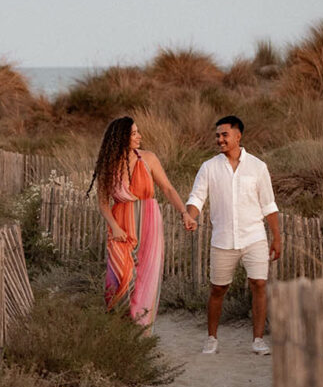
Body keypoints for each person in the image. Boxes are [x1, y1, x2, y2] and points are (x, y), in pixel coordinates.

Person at [88, 116, 197, 333]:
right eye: (134, 133)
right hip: (120, 225)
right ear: (121, 137)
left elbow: (167, 188)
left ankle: (139, 329)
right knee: (119, 275)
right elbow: (102, 202)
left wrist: (184, 213)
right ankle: (116, 327)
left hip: (149, 221)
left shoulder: (148, 158)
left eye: (138, 132)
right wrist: (115, 226)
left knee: (146, 273)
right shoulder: (108, 164)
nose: (140, 137)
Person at [185, 115, 281, 355]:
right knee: (218, 289)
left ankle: (258, 340)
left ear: (238, 136)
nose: (219, 139)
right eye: (217, 135)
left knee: (259, 284)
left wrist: (276, 237)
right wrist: (191, 215)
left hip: (254, 236)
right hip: (223, 239)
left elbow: (269, 205)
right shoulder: (209, 167)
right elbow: (197, 197)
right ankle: (211, 339)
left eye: (224, 135)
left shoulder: (258, 167)